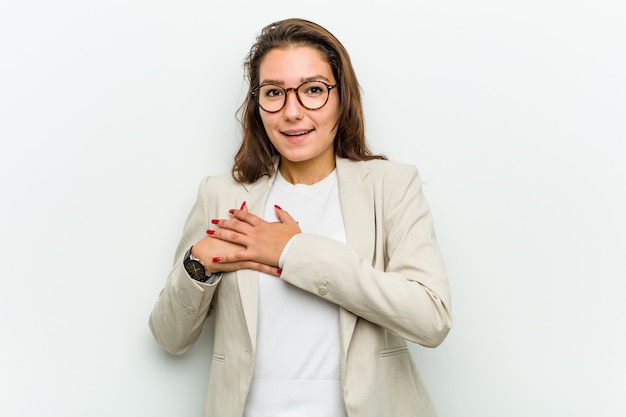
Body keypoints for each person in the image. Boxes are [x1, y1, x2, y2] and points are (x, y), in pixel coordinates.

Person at [149, 17, 452, 417]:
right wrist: (199, 263)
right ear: (257, 105)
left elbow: (431, 319)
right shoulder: (220, 195)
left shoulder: (390, 186)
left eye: (312, 90)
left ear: (342, 97)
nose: (292, 112)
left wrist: (293, 251)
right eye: (274, 93)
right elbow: (170, 338)